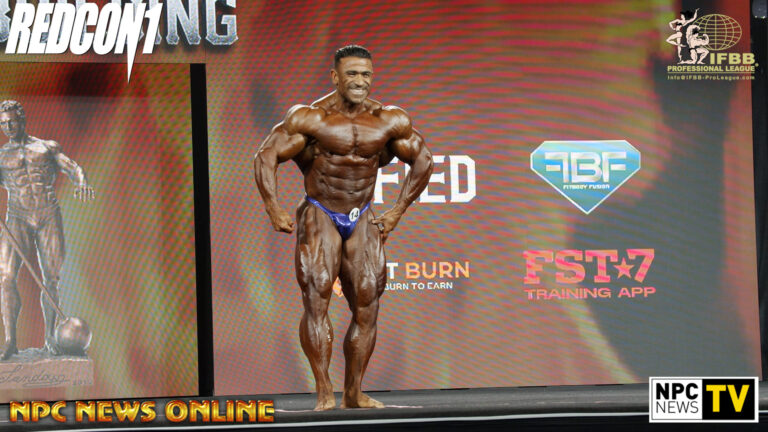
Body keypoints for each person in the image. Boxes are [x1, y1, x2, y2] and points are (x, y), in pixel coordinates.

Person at [253, 45, 433, 410]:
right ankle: (324, 390)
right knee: (317, 296)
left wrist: (398, 210)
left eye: (366, 74)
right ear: (335, 77)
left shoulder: (388, 120)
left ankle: (354, 392)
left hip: (362, 214)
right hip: (321, 211)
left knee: (368, 304)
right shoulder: (312, 118)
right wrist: (273, 206)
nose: (360, 81)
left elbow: (423, 159)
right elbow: (266, 155)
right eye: (352, 74)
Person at [0, 100, 94, 360]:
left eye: (12, 121)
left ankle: (50, 338)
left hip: (47, 215)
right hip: (17, 217)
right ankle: (10, 341)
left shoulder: (45, 147)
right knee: (5, 277)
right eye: (3, 124)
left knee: (51, 278)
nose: (8, 127)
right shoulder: (1, 156)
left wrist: (82, 182)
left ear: (22, 119)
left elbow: (72, 167)